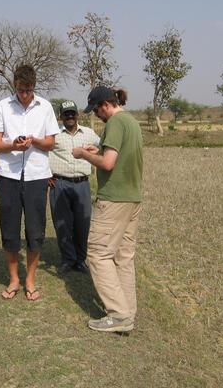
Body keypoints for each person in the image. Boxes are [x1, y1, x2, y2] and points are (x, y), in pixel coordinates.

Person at [72, 86, 143, 333]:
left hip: (113, 199)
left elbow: (108, 163)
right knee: (123, 256)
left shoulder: (114, 122)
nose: (98, 116)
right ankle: (128, 311)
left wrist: (83, 154)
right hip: (132, 198)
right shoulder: (131, 122)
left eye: (97, 110)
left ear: (105, 104)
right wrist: (97, 151)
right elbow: (114, 155)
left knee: (98, 254)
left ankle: (119, 315)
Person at [0, 64, 59, 301]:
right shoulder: (2, 107)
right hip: (8, 175)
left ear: (34, 86)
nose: (25, 94)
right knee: (9, 230)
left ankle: (30, 279)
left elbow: (51, 143)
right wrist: (13, 146)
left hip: (37, 177)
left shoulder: (45, 107)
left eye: (28, 90)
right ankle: (14, 279)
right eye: (20, 90)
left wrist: (34, 141)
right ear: (15, 86)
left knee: (35, 230)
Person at [49, 100, 100, 275]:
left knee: (82, 223)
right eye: (66, 114)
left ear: (77, 115)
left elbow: (104, 148)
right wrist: (46, 174)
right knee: (62, 224)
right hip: (59, 183)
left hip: (82, 185)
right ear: (60, 116)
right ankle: (67, 259)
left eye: (72, 113)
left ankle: (80, 260)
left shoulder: (89, 133)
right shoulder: (53, 134)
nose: (70, 116)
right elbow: (40, 153)